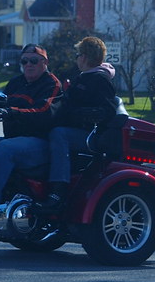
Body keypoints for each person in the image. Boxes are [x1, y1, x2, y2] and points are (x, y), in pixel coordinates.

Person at [0, 44, 62, 223]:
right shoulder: (16, 83)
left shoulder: (51, 84)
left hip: (40, 144)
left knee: (5, 148)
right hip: (16, 140)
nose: (28, 64)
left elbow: (44, 111)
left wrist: (11, 112)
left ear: (44, 62)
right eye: (24, 61)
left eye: (34, 60)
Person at [42, 36, 119, 210]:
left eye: (78, 54)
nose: (76, 58)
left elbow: (107, 111)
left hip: (91, 135)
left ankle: (58, 188)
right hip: (80, 131)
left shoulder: (100, 79)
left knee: (58, 134)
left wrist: (77, 114)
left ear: (84, 57)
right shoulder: (84, 77)